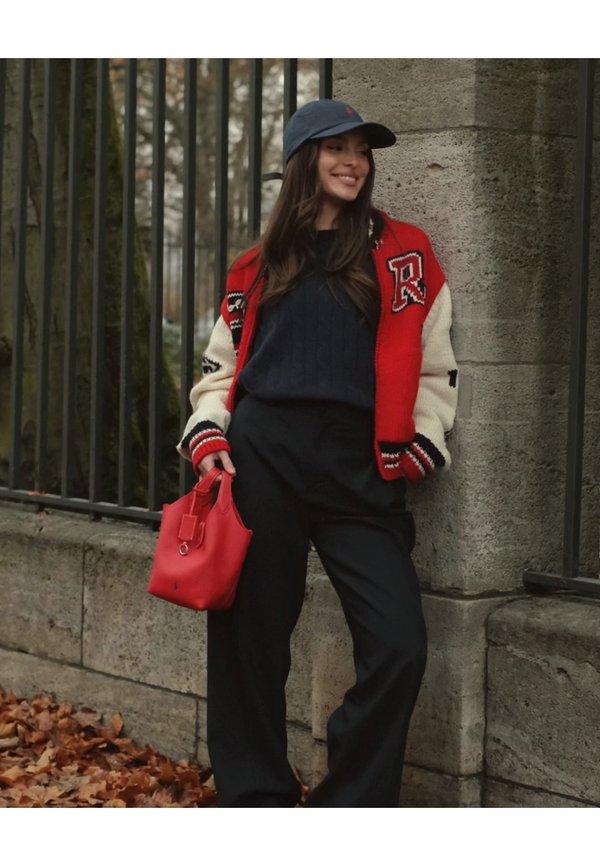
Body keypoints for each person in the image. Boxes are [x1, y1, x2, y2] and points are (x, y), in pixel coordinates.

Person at [177, 99, 458, 807]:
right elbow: (222, 369)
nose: (353, 162)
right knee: (250, 642)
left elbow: (433, 365)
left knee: (399, 645)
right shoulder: (256, 265)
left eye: (363, 151)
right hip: (262, 457)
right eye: (338, 149)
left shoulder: (403, 253)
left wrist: (422, 440)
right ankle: (256, 799)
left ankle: (349, 809)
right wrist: (210, 439)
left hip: (359, 467)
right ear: (305, 160)